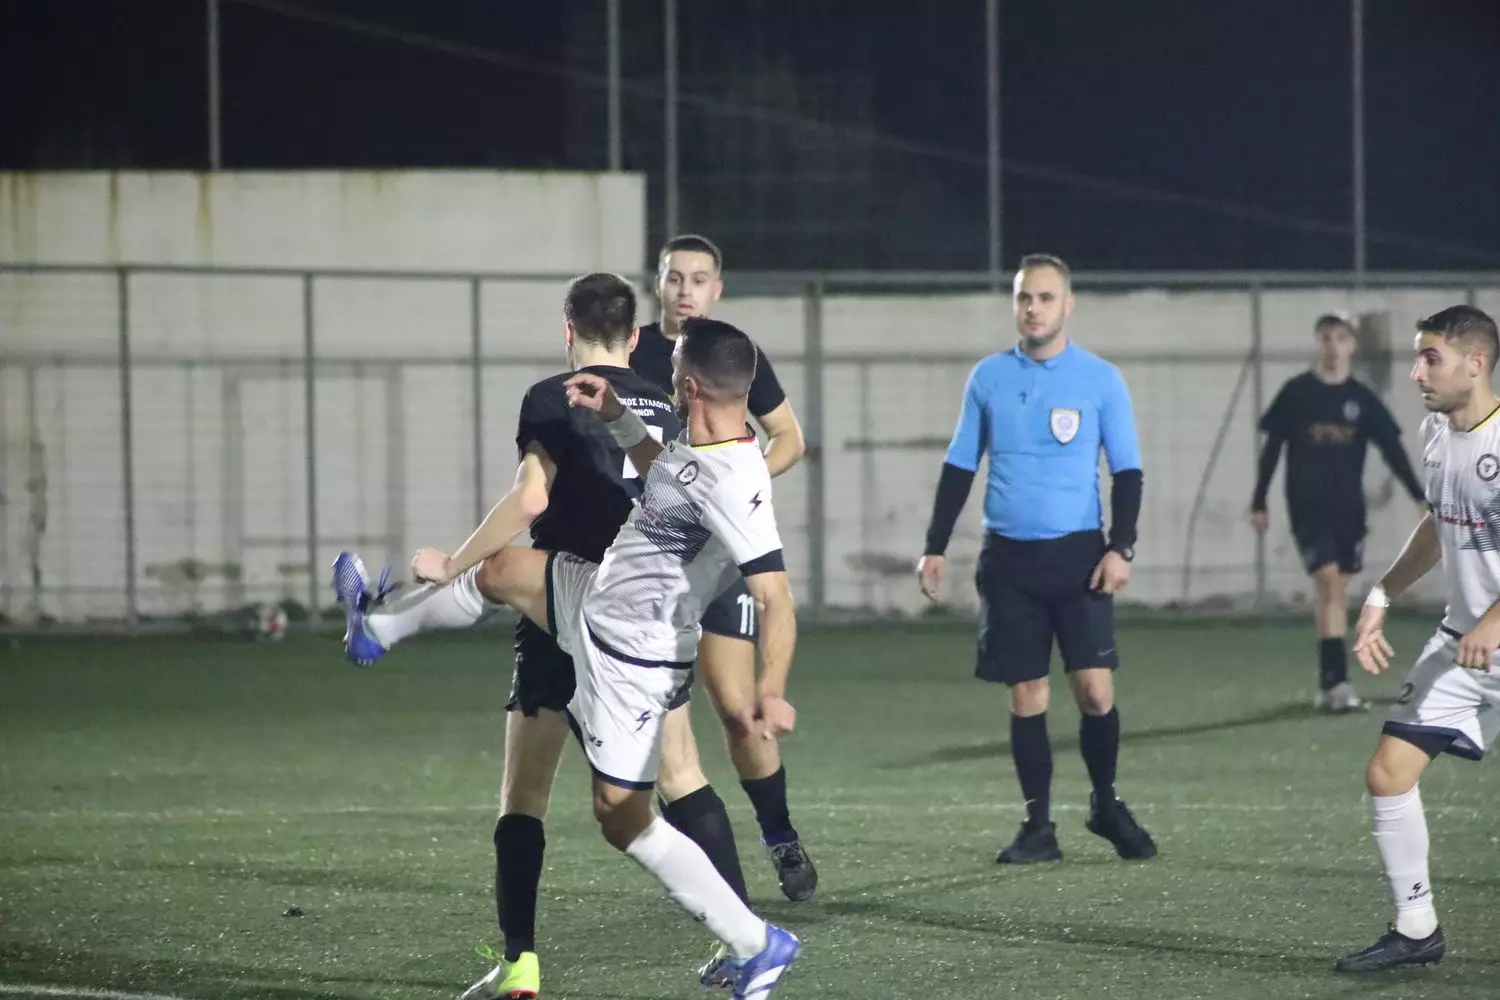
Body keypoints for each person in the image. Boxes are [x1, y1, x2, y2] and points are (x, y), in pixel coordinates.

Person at [332, 275, 751, 998]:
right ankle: (741, 937)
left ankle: (521, 964)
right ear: (633, 337)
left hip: (559, 604)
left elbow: (531, 498)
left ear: (568, 330)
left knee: (523, 797)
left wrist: (452, 561)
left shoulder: (556, 395)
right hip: (644, 621)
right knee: (682, 781)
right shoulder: (668, 400)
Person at [916, 253, 1157, 865]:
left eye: (1046, 298)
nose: (1033, 308)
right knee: (1027, 694)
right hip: (1009, 563)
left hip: (1080, 559)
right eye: (1024, 297)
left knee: (1094, 691)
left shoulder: (1100, 380)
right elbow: (959, 465)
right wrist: (934, 546)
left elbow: (1128, 471)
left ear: (1067, 305)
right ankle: (1037, 827)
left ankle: (1105, 804)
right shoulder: (989, 377)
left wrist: (1121, 546)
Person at [631, 234, 818, 906]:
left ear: (718, 288)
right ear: (658, 284)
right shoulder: (631, 351)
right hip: (655, 563)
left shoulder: (734, 355)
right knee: (662, 735)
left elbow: (789, 438)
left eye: (699, 278)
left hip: (719, 560)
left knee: (740, 715)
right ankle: (705, 871)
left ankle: (780, 835)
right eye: (675, 277)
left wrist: (731, 489)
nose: (686, 289)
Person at [1337, 304, 1500, 973]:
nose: (1416, 372)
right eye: (1416, 356)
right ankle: (1416, 927)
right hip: (1464, 644)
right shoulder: (1438, 432)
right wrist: (1381, 594)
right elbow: (1439, 522)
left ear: (1476, 363)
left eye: (1431, 357)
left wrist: (1494, 621)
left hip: (1487, 633)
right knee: (1388, 771)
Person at [1250, 312, 1427, 713]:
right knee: (1328, 581)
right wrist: (1259, 501)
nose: (1333, 346)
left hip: (1348, 511)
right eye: (1326, 338)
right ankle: (1338, 682)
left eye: (1340, 338)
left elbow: (1392, 450)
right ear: (1318, 344)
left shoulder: (1362, 400)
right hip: (1307, 508)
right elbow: (1272, 449)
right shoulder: (1296, 393)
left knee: (1335, 592)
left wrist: (1419, 497)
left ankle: (1332, 685)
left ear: (1351, 346)